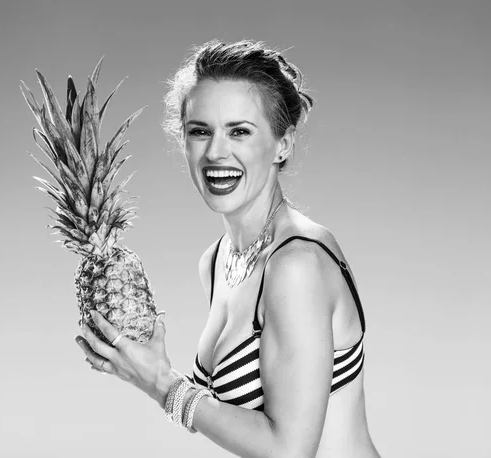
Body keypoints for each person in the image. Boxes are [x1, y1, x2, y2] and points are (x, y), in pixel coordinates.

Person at [76, 39, 381, 458]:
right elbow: (235, 420)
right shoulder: (218, 261)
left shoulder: (296, 264)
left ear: (282, 145)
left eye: (240, 131)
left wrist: (162, 384)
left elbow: (290, 451)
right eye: (200, 131)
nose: (216, 152)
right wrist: (141, 368)